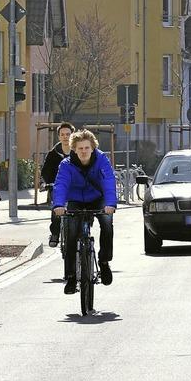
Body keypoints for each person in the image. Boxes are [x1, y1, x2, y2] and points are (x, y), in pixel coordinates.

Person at [52, 129, 117, 295]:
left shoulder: (102, 160)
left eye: (87, 148)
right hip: (76, 199)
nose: (83, 151)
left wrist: (110, 203)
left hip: (97, 197)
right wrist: (59, 204)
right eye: (80, 148)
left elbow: (109, 181)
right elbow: (61, 184)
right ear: (74, 149)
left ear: (93, 148)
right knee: (71, 232)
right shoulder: (66, 165)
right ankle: (72, 276)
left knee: (107, 223)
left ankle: (104, 262)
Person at [41, 122, 75, 247]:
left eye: (68, 134)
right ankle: (55, 233)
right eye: (62, 135)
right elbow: (45, 171)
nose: (65, 137)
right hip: (58, 187)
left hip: (76, 187)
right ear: (59, 137)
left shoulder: (79, 150)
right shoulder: (53, 154)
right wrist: (46, 183)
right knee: (57, 209)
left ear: (72, 135)